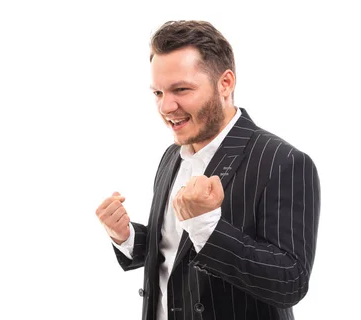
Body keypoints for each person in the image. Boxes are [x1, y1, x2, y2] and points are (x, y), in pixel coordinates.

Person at [95, 20, 321, 320]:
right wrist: (126, 237)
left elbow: (289, 282)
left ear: (225, 83)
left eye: (181, 89)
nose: (166, 107)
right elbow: (175, 251)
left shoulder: (283, 161)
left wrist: (207, 226)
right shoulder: (172, 156)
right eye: (158, 93)